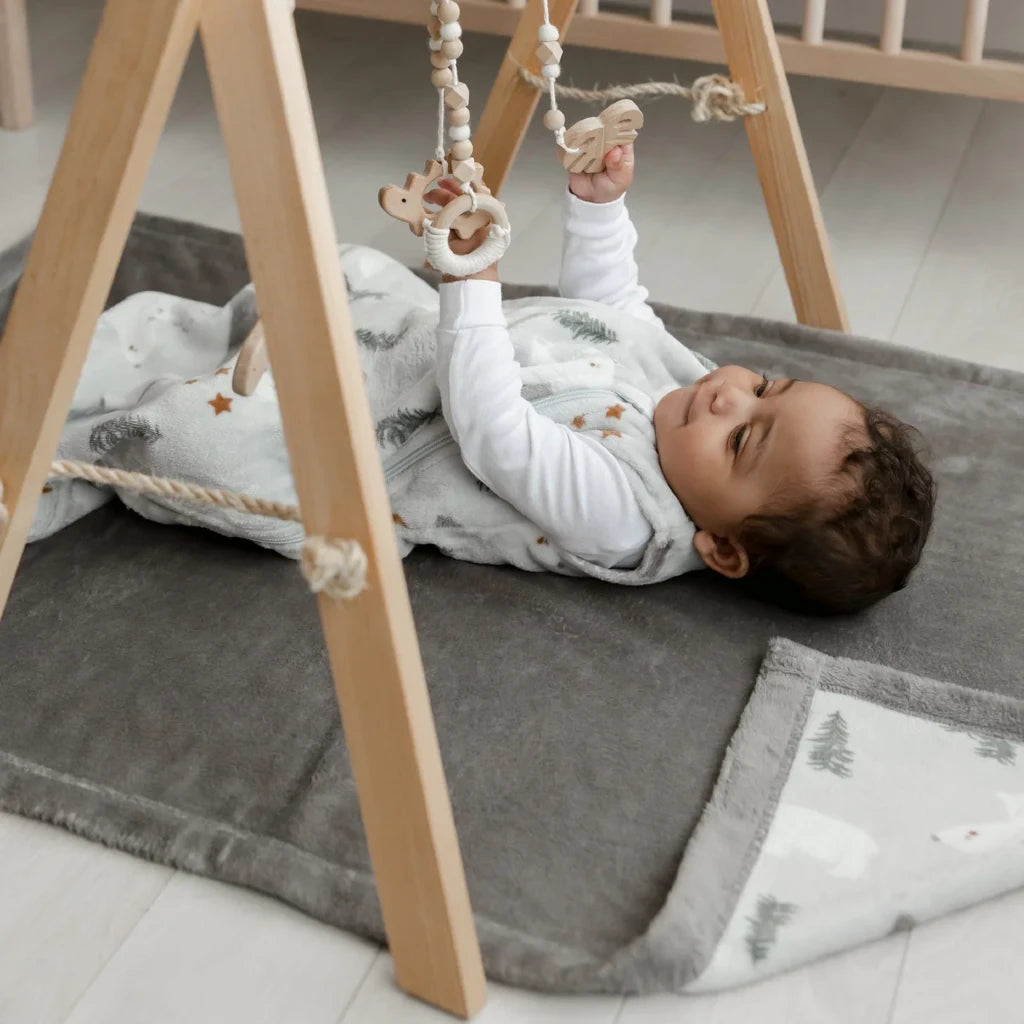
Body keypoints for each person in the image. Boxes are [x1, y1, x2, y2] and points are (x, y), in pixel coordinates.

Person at [424, 144, 936, 614]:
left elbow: (492, 428)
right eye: (764, 387)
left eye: (739, 440)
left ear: (724, 548)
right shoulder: (692, 395)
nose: (729, 395)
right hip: (434, 338)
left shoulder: (622, 515)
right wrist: (598, 209)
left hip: (400, 431)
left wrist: (472, 276)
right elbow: (612, 316)